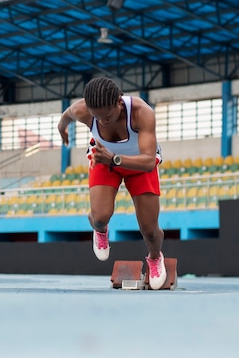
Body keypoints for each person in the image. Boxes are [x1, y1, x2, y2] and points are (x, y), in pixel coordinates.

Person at [57, 77, 167, 290]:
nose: (103, 121)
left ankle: (155, 258)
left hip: (139, 163)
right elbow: (67, 115)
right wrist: (62, 128)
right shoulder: (84, 110)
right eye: (97, 118)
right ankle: (100, 229)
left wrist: (115, 159)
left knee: (149, 229)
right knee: (100, 217)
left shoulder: (142, 113)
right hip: (103, 160)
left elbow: (147, 162)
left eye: (107, 116)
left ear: (118, 102)